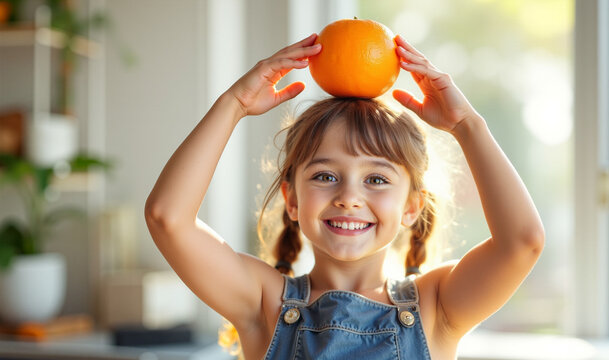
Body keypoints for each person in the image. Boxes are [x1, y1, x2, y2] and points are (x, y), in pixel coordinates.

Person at [145, 33, 545, 360]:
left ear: (411, 206)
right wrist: (232, 105)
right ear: (293, 199)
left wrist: (467, 125)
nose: (349, 196)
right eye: (325, 175)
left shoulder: (437, 306)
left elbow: (522, 242)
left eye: (376, 179)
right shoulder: (262, 302)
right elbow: (168, 218)